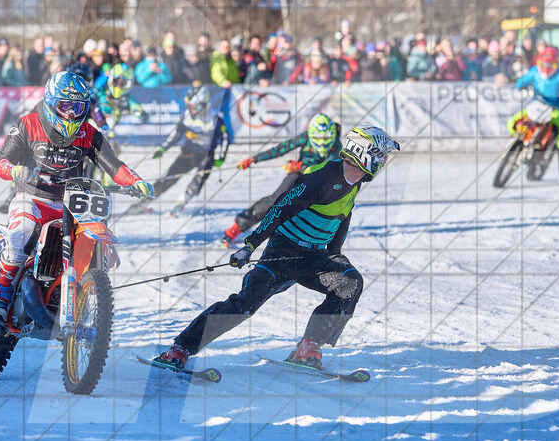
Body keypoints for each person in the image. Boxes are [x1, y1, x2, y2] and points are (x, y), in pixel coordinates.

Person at [153, 125, 401, 370]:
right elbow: (280, 208)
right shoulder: (322, 178)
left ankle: (309, 346)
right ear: (365, 153)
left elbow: (343, 217)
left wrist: (334, 253)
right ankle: (181, 348)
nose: (383, 162)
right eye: (382, 155)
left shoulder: (355, 182)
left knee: (349, 282)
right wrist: (249, 245)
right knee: (245, 305)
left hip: (312, 257)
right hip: (282, 254)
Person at [0, 71, 155, 328]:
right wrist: (13, 169)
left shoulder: (89, 134)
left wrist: (135, 181)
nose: (71, 113)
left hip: (71, 203)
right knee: (22, 234)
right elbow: (1, 160)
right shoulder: (28, 124)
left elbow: (114, 166)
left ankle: (76, 294)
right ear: (50, 102)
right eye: (65, 106)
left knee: (93, 243)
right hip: (31, 197)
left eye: (77, 107)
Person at [223, 113, 342, 246]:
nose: (321, 141)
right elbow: (281, 148)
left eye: (326, 137)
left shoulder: (337, 147)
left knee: (310, 211)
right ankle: (237, 227)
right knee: (275, 199)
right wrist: (254, 159)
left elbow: (328, 170)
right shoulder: (306, 137)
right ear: (311, 133)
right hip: (299, 175)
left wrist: (301, 166)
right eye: (318, 136)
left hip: (321, 183)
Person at [126, 86, 229, 216]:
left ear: (205, 104)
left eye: (196, 107)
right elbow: (176, 134)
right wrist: (163, 148)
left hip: (206, 156)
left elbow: (225, 137)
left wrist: (221, 157)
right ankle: (143, 203)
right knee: (168, 178)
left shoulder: (214, 119)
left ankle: (182, 202)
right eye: (190, 106)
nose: (193, 110)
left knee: (199, 179)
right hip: (188, 153)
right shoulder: (186, 115)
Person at [506, 46, 559, 179]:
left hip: (554, 110)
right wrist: (522, 87)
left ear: (555, 63)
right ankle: (517, 142)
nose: (546, 67)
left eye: (549, 64)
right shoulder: (535, 71)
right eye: (543, 63)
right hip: (536, 105)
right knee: (514, 120)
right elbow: (521, 82)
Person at [94, 62, 146, 135]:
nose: (118, 85)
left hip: (119, 132)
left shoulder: (128, 98)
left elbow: (140, 111)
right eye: (116, 81)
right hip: (101, 127)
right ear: (112, 79)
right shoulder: (102, 92)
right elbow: (93, 95)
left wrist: (140, 113)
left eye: (122, 82)